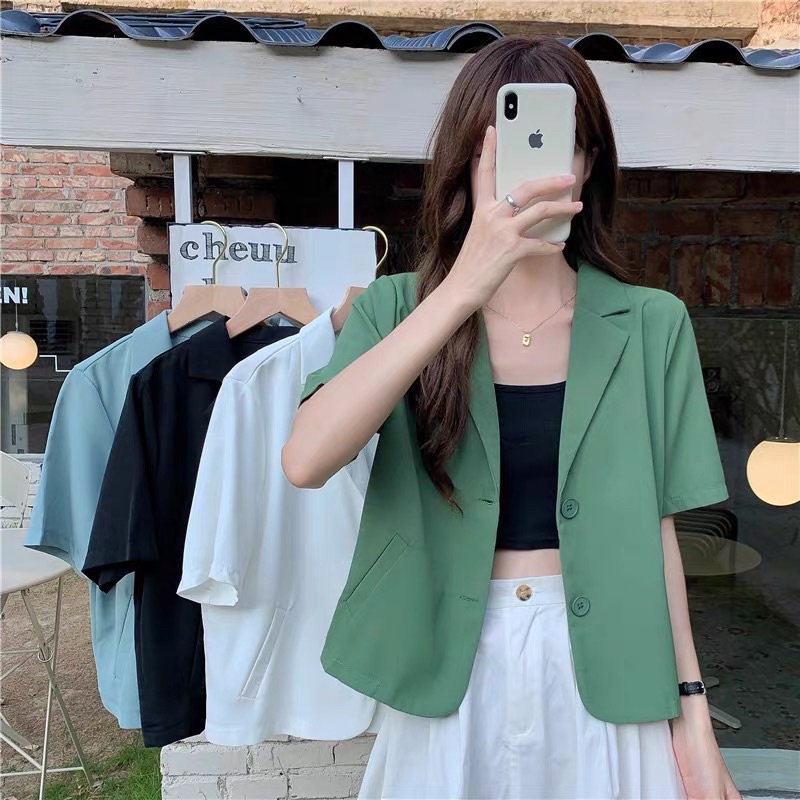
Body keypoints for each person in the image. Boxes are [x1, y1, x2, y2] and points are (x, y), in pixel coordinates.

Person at [283, 35, 741, 800]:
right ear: (467, 164)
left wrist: (692, 713)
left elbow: (657, 531)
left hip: (609, 669)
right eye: (497, 150)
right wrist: (462, 290)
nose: (531, 171)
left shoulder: (651, 323)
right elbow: (306, 459)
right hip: (448, 666)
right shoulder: (395, 309)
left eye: (559, 144)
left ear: (588, 164)